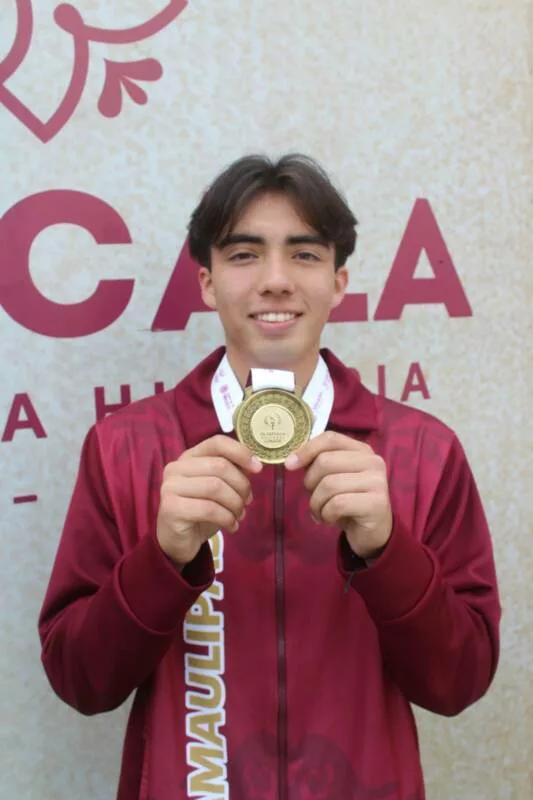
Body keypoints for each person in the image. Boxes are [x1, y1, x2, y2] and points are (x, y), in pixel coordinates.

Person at [38, 154, 501, 800]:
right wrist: (161, 558)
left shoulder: (423, 452)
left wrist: (386, 552)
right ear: (207, 282)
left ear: (339, 282)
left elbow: (461, 683)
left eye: (304, 255)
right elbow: (80, 681)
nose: (276, 280)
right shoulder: (125, 448)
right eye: (244, 255)